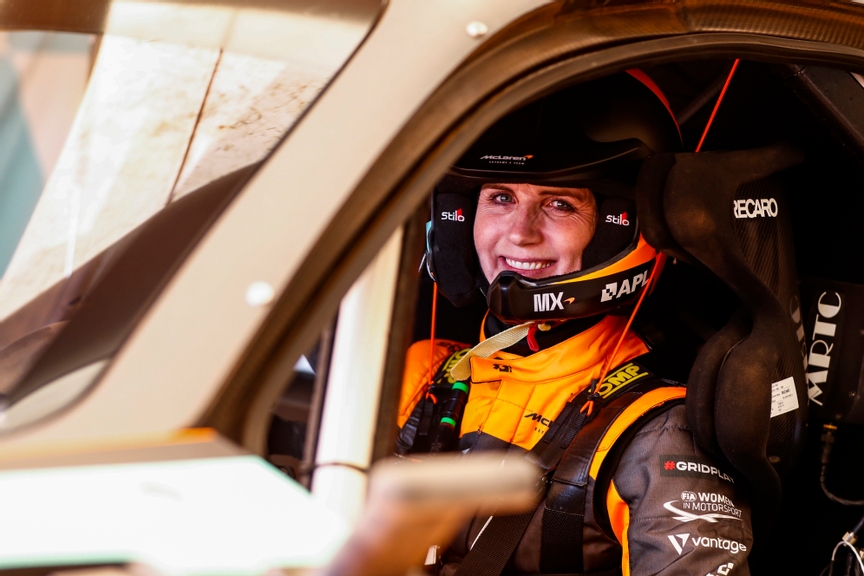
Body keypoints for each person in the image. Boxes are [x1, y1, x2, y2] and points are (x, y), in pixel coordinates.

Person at [396, 73, 754, 576]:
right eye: (500, 198)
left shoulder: (656, 434)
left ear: (619, 227)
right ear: (458, 216)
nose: (520, 234)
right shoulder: (418, 373)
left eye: (560, 203)